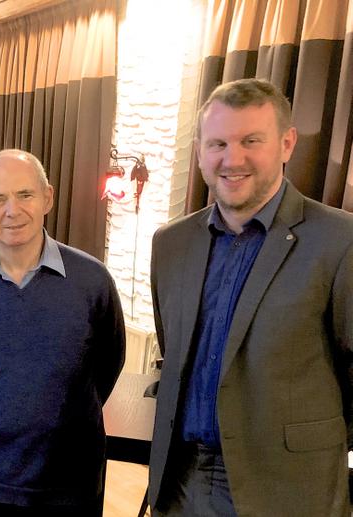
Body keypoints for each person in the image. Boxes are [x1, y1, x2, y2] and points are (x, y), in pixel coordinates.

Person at [149, 78, 353, 516]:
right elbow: (174, 351)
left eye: (250, 141)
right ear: (200, 149)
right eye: (218, 143)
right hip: (181, 479)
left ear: (286, 143)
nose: (232, 158)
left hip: (286, 488)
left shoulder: (341, 241)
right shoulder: (170, 243)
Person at [0, 149, 126, 516]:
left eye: (25, 194)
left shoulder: (93, 281)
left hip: (71, 482)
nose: (12, 211)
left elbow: (108, 365)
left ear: (48, 197)